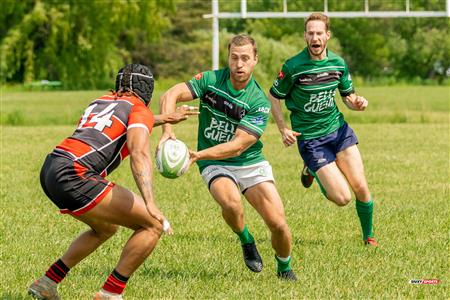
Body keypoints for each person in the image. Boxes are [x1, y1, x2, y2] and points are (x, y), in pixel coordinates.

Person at [28, 64, 198, 300]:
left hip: (51, 167)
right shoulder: (140, 109)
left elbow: (118, 123)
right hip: (75, 174)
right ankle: (110, 293)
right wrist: (150, 202)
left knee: (105, 228)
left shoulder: (100, 102)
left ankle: (47, 282)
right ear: (147, 89)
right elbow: (138, 152)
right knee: (152, 225)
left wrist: (163, 118)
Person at [159, 34, 297, 280]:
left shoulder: (258, 102)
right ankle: (246, 239)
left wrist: (196, 154)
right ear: (228, 57)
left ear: (255, 60)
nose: (239, 64)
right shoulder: (210, 80)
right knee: (232, 204)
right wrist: (168, 132)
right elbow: (169, 95)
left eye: (245, 58)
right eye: (234, 58)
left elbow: (238, 146)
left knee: (278, 224)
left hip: (248, 162)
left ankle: (284, 267)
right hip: (214, 162)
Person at [268, 13, 378, 247]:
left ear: (327, 35)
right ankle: (312, 168)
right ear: (305, 36)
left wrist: (357, 103)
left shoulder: (338, 63)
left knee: (360, 186)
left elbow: (348, 97)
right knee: (342, 198)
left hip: (339, 132)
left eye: (319, 33)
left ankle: (369, 238)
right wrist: (282, 128)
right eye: (310, 33)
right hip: (311, 140)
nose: (314, 37)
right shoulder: (293, 66)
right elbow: (274, 96)